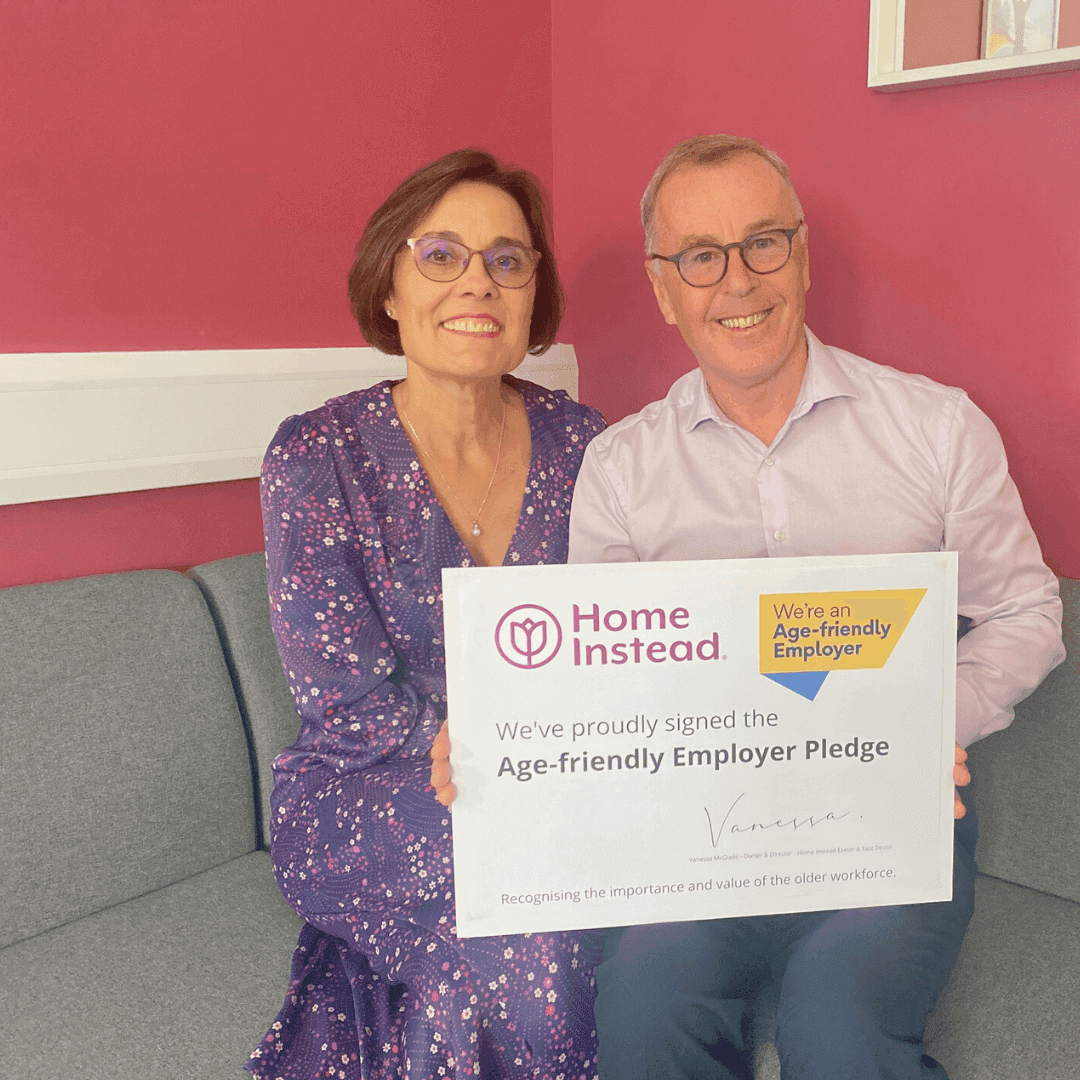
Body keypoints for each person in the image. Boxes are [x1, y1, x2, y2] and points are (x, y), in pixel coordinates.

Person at [566, 135, 1065, 1080]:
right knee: (641, 1005)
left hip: (887, 814)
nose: (738, 282)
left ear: (801, 257)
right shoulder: (621, 470)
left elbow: (1030, 612)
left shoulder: (937, 428)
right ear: (664, 289)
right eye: (699, 257)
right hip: (697, 827)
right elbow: (602, 683)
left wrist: (919, 724)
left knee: (837, 1033)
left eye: (764, 243)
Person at [247, 149, 606, 1080]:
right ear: (392, 287)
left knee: (516, 925)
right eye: (441, 254)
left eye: (507, 259)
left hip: (554, 778)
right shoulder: (315, 458)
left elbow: (630, 638)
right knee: (528, 903)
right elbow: (344, 700)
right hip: (365, 782)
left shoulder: (590, 446)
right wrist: (500, 763)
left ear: (532, 297)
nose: (476, 282)